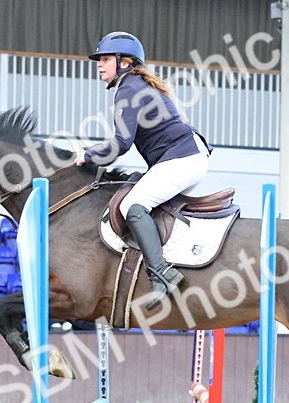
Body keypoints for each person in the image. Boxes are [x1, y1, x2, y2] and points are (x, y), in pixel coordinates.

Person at [76, 31, 211, 310]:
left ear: (124, 62)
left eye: (104, 59)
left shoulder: (129, 89)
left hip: (184, 159)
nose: (99, 64)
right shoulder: (135, 85)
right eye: (98, 60)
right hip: (186, 157)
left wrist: (86, 156)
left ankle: (163, 273)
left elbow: (121, 144)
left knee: (133, 205)